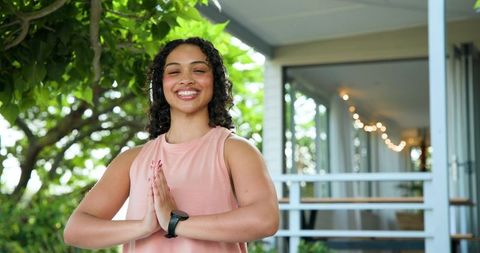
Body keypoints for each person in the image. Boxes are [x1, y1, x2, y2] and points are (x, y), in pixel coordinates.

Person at [63, 37, 279, 252]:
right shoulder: (132, 159)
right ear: (160, 84)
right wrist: (144, 226)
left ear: (215, 81)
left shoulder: (235, 150)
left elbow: (265, 219)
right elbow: (76, 230)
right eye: (174, 72)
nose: (186, 79)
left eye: (199, 70)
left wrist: (174, 223)